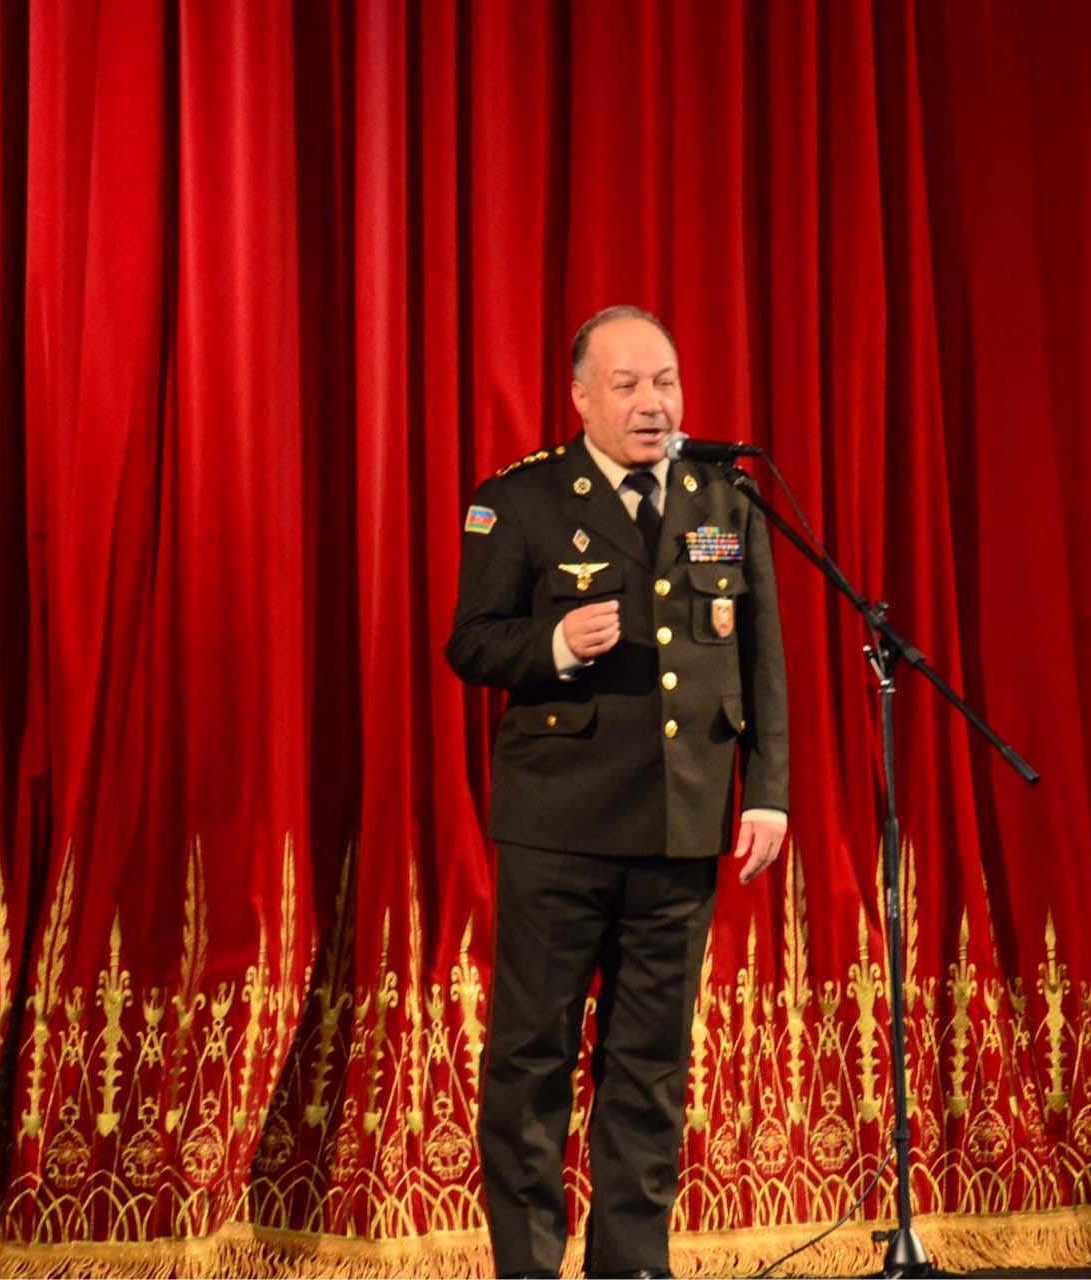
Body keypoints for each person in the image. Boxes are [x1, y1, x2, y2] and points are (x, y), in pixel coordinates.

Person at [446, 305, 790, 1279]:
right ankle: (528, 1267)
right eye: (629, 385)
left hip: (683, 820)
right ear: (581, 398)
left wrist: (765, 790)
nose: (653, 403)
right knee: (533, 1058)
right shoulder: (520, 500)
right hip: (560, 826)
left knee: (650, 1063)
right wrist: (554, 644)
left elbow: (760, 655)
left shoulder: (723, 495)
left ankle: (632, 1263)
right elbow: (471, 641)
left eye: (666, 381)